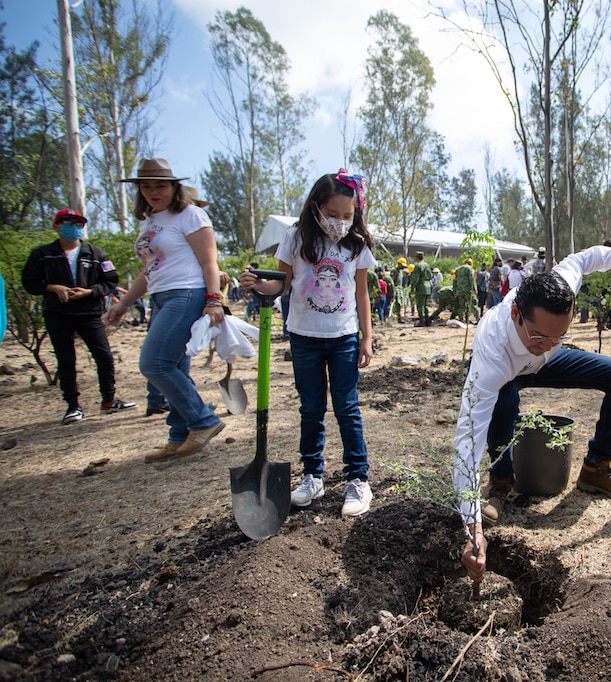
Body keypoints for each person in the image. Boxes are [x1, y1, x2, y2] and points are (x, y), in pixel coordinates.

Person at [457, 232, 611, 584]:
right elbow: (467, 440)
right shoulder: (491, 356)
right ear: (517, 313)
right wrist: (471, 525)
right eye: (539, 336)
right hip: (509, 369)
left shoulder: (557, 297)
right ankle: (502, 481)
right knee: (503, 401)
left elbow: (588, 257)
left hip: (542, 365)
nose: (548, 344)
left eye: (559, 336)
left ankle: (596, 467)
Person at [241, 168, 375, 516]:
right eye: (332, 215)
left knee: (347, 407)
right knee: (311, 408)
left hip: (344, 337)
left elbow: (361, 294)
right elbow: (280, 285)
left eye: (348, 216)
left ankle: (358, 478)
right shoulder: (296, 238)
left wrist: (367, 338)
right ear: (316, 208)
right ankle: (312, 475)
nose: (340, 223)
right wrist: (258, 284)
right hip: (305, 337)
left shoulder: (356, 245)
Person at [104, 158, 225, 461]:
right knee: (176, 368)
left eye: (161, 185)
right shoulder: (151, 222)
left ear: (175, 186)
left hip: (186, 294)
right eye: (146, 186)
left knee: (154, 364)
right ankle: (178, 435)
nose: (153, 191)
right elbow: (149, 271)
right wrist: (124, 304)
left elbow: (210, 261)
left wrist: (213, 299)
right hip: (159, 296)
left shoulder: (191, 215)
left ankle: (204, 420)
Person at [21, 208, 137, 424]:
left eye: (78, 224)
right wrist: (52, 287)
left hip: (89, 312)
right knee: (66, 359)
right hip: (58, 313)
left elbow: (110, 280)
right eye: (67, 223)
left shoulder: (95, 254)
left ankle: (108, 401)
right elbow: (29, 282)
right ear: (56, 226)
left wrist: (90, 292)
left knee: (103, 356)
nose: (73, 228)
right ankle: (73, 406)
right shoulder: (42, 254)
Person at [409, 251, 431, 326]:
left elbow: (415, 279)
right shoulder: (427, 265)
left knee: (420, 305)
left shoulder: (418, 266)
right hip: (428, 286)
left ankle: (422, 321)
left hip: (421, 287)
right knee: (425, 305)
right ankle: (427, 320)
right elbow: (430, 276)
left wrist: (412, 289)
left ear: (416, 258)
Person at [453, 257, 477, 323]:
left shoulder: (457, 269)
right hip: (468, 290)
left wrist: (454, 291)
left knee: (462, 306)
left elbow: (454, 281)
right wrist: (475, 289)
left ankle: (461, 319)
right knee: (473, 305)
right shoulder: (470, 269)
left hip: (460, 291)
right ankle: (478, 320)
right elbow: (471, 279)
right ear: (470, 263)